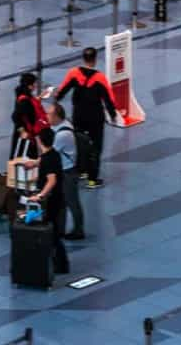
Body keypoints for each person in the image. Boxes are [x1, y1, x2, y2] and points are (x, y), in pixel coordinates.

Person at [49, 47, 113, 187]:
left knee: (79, 143)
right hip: (95, 118)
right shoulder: (100, 78)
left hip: (78, 116)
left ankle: (81, 171)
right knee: (95, 147)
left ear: (83, 58)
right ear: (95, 60)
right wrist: (113, 115)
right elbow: (108, 99)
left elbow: (62, 90)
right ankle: (92, 179)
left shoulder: (74, 73)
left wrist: (57, 99)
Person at [23, 127, 71, 275]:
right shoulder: (52, 154)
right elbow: (45, 160)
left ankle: (61, 265)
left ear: (39, 141)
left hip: (52, 202)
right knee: (53, 232)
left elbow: (52, 180)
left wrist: (40, 196)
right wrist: (35, 163)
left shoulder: (48, 159)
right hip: (57, 199)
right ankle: (58, 262)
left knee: (53, 234)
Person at [47, 103, 85, 240]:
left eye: (49, 114)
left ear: (56, 116)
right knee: (62, 202)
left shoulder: (63, 134)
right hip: (63, 170)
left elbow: (50, 154)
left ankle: (79, 230)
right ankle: (60, 229)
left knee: (72, 202)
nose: (47, 116)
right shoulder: (62, 125)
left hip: (67, 172)